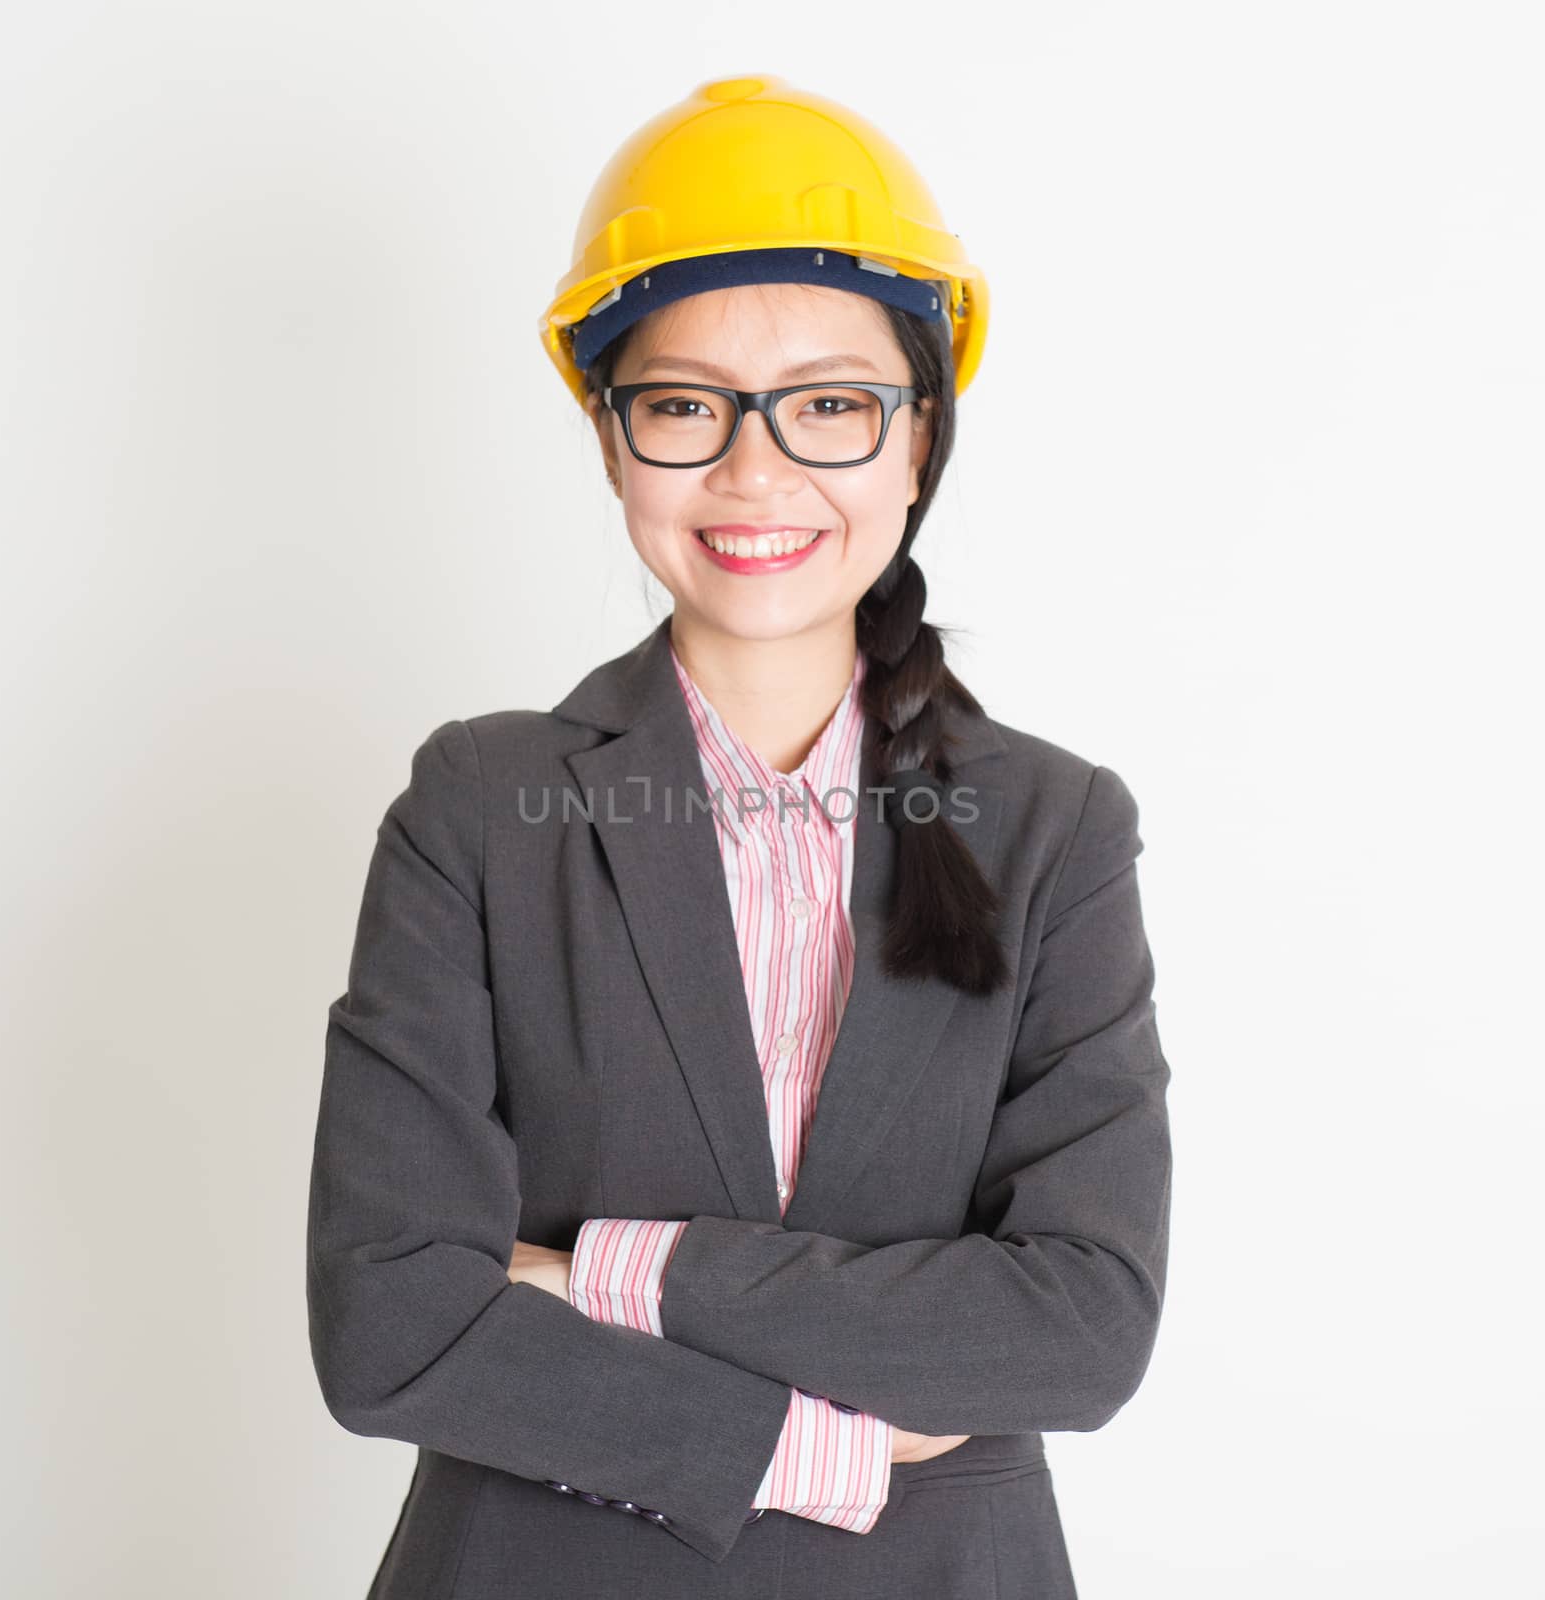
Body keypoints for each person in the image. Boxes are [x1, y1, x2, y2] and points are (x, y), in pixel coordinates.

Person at [306, 74, 1173, 1599]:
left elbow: (1080, 1324)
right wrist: (816, 1445)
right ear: (611, 437)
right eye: (685, 404)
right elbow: (389, 1319)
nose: (754, 470)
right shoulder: (482, 805)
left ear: (918, 440)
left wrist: (598, 1273)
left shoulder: (1053, 829)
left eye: (830, 405)